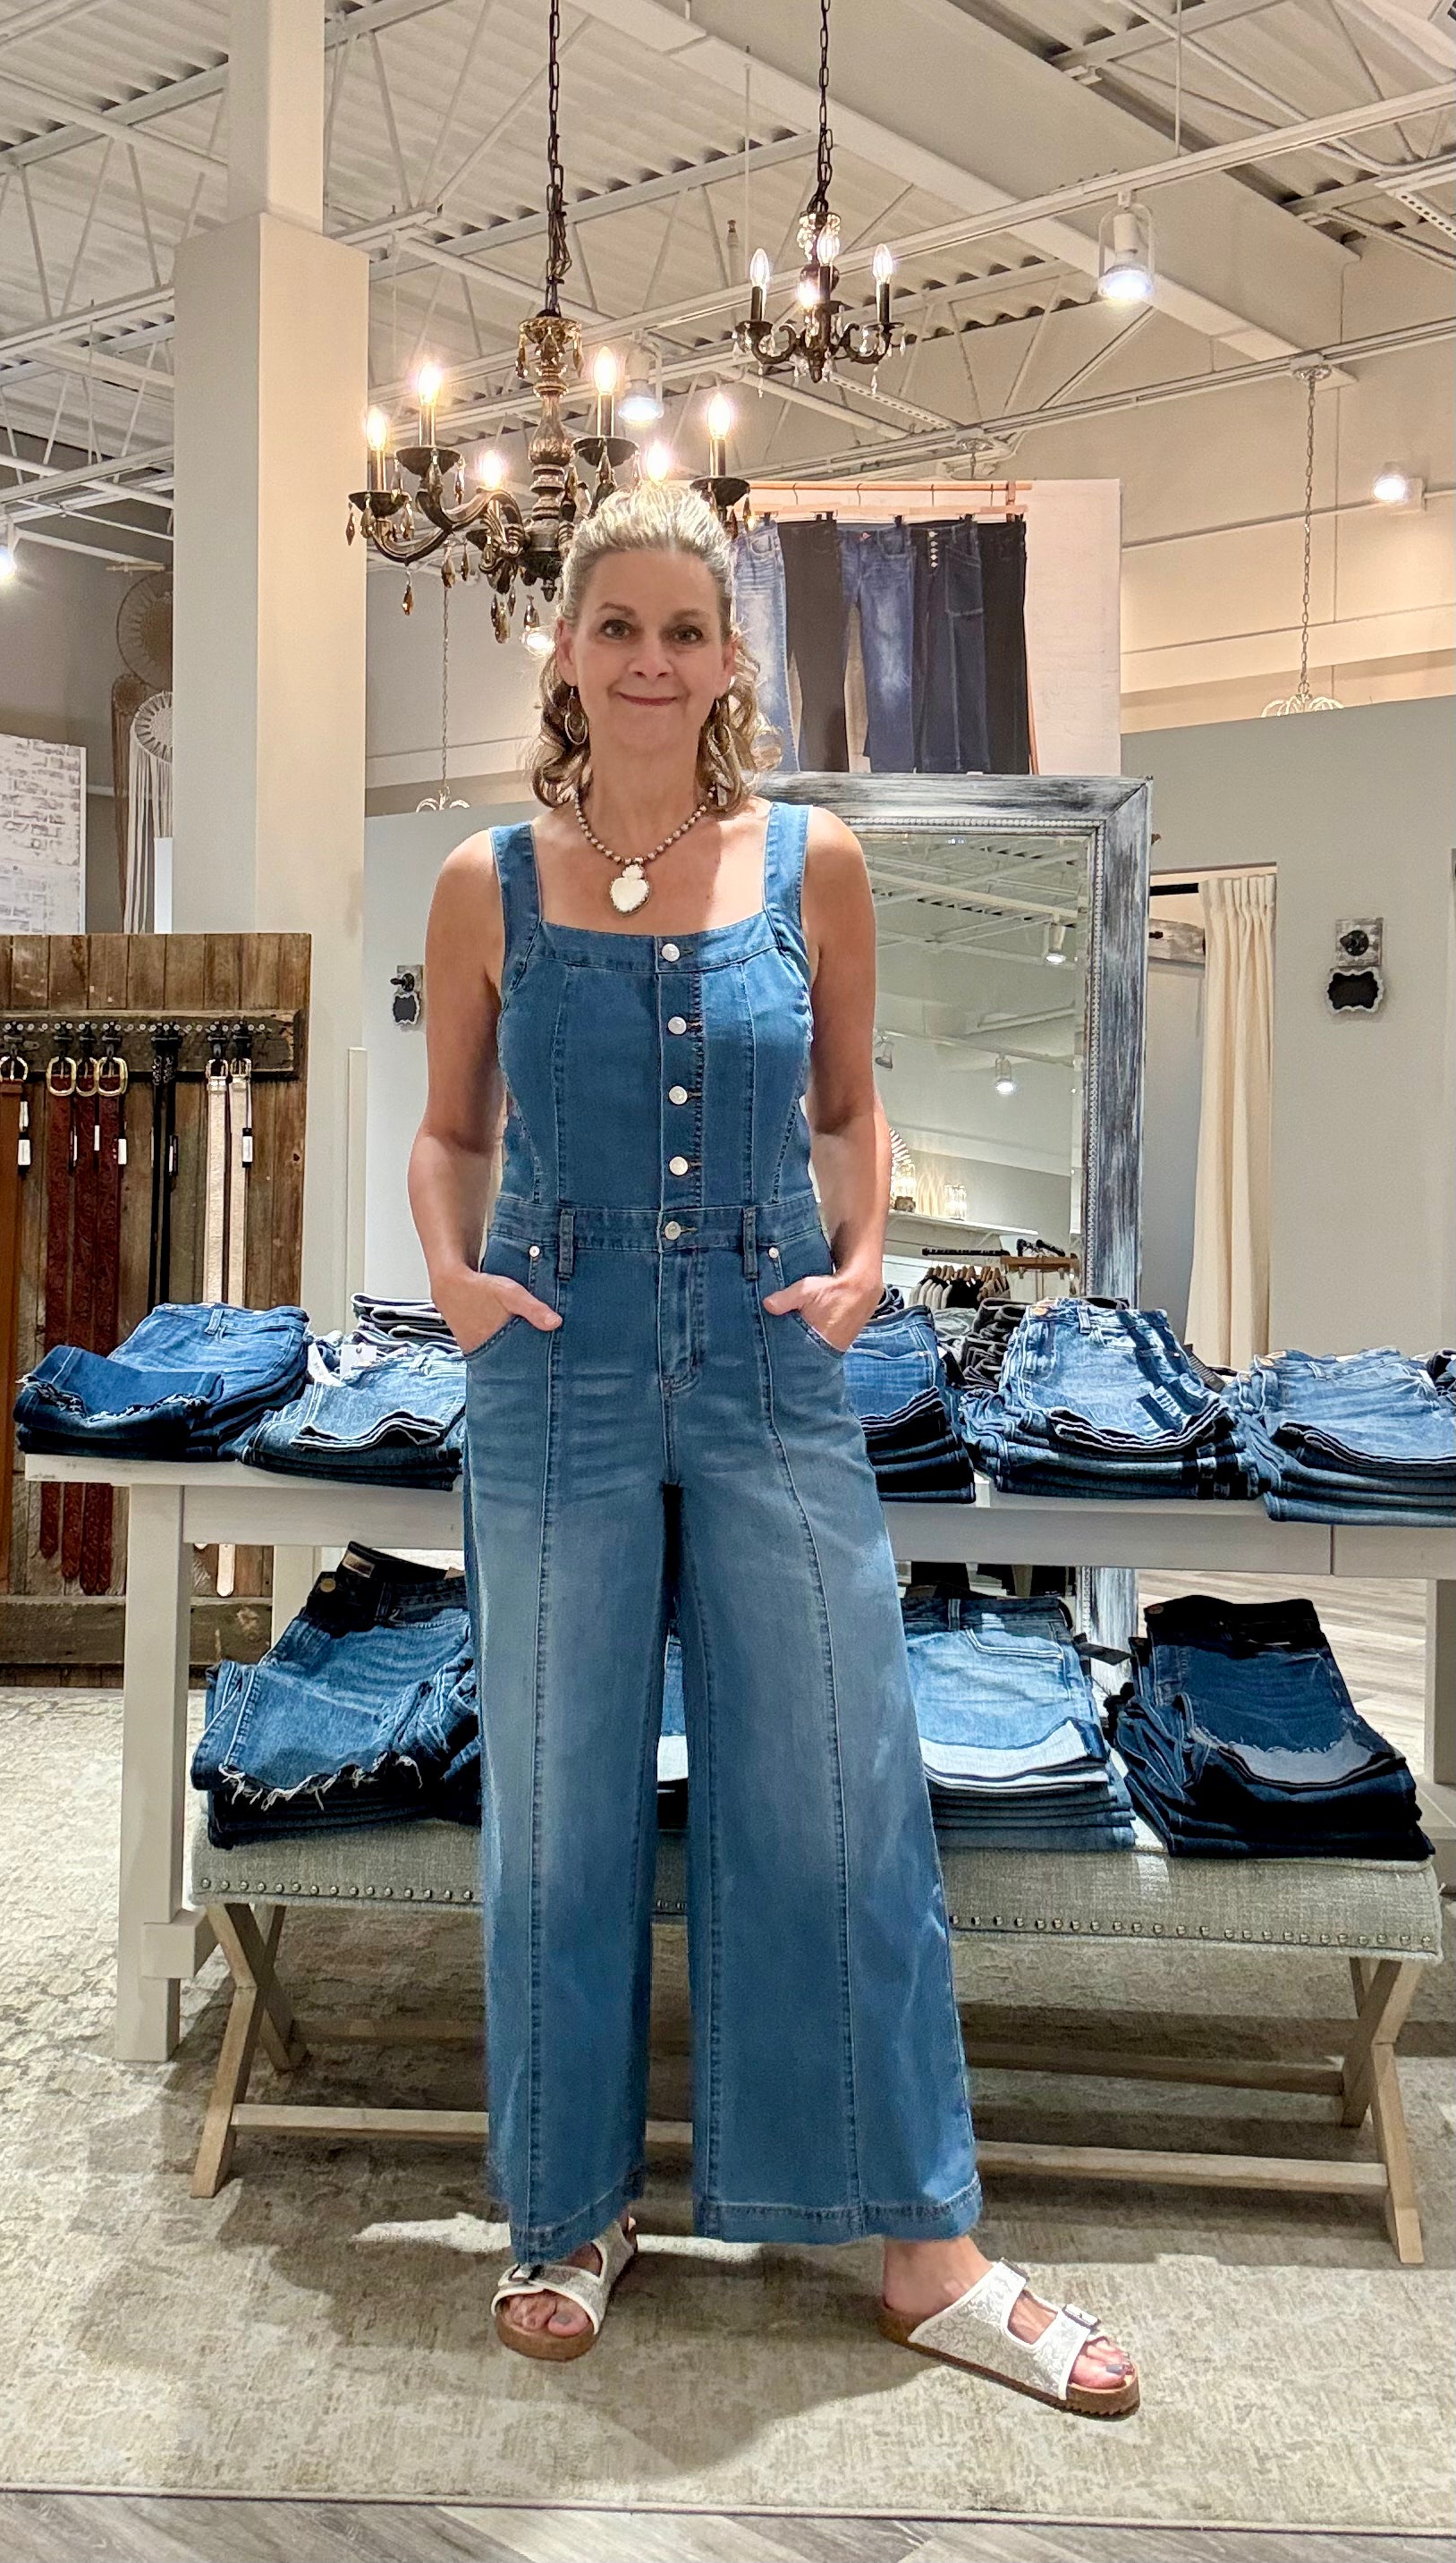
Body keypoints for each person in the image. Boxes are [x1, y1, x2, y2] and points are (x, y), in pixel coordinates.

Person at [409, 481, 1139, 2418]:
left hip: (767, 1357)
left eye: (686, 628)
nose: (652, 658)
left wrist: (868, 1253)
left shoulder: (816, 861)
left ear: (732, 658)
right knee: (556, 1807)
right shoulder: (486, 880)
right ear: (565, 650)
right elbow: (451, 1132)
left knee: (840, 1785)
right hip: (552, 1365)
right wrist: (452, 1277)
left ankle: (923, 2240)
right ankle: (567, 2211)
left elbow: (847, 1107)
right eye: (618, 625)